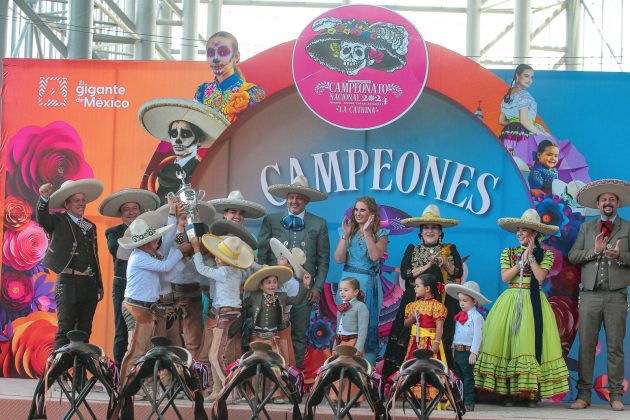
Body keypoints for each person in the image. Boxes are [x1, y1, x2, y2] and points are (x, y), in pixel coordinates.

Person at [475, 209, 569, 406]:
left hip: (533, 301)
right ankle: (508, 392)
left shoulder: (546, 254)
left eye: (523, 230)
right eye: (517, 230)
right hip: (511, 299)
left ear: (534, 234)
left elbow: (541, 277)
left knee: (528, 344)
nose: (518, 234)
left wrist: (532, 257)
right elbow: (505, 277)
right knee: (508, 344)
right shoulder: (508, 253)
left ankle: (528, 394)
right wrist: (520, 262)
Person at [568, 179, 630, 412]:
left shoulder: (628, 227)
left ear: (618, 204)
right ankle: (583, 395)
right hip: (590, 295)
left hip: (617, 295)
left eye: (612, 199)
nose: (607, 202)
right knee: (586, 346)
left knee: (615, 347)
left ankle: (616, 395)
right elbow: (573, 256)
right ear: (597, 204)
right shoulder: (587, 228)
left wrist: (620, 256)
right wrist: (594, 252)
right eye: (604, 199)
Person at [257, 175, 330, 370]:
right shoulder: (271, 220)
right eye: (291, 197)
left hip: (303, 289)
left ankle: (294, 379)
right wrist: (262, 284)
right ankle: (272, 379)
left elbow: (323, 261)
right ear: (286, 198)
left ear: (306, 200)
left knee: (298, 334)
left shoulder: (319, 223)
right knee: (270, 333)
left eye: (299, 198)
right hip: (275, 287)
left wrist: (317, 288)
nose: (294, 201)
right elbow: (262, 255)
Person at [382, 204, 462, 378]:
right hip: (415, 299)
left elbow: (458, 273)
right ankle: (407, 379)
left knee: (441, 336)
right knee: (412, 333)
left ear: (440, 231)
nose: (430, 231)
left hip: (443, 299)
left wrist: (444, 263)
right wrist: (428, 265)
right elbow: (405, 273)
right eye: (426, 227)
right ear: (421, 231)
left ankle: (442, 379)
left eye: (434, 227)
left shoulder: (449, 249)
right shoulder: (413, 249)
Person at [117, 212, 185, 387]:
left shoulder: (144, 256)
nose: (157, 243)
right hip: (137, 308)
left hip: (144, 308)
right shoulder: (140, 257)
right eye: (154, 241)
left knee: (144, 350)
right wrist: (180, 252)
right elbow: (166, 266)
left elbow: (167, 273)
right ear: (145, 243)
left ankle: (140, 386)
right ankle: (125, 387)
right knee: (136, 351)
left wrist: (185, 258)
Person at [36, 179, 104, 350]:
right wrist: (44, 198)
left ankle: (78, 375)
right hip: (67, 281)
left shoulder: (90, 226)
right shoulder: (58, 220)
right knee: (65, 330)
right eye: (77, 200)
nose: (81, 204)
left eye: (83, 200)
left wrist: (99, 285)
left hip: (88, 283)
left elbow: (94, 256)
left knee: (84, 332)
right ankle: (56, 375)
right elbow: (42, 218)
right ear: (66, 204)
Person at [99, 188, 161, 365]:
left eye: (135, 208)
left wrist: (148, 224)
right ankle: (119, 375)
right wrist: (137, 231)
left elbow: (160, 248)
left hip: (147, 288)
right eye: (126, 209)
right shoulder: (113, 232)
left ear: (140, 211)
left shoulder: (152, 232)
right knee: (121, 329)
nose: (131, 212)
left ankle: (142, 373)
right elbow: (118, 252)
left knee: (148, 331)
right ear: (120, 213)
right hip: (123, 285)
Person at [190, 234, 255, 401]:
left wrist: (196, 249)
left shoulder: (223, 272)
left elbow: (202, 269)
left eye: (219, 256)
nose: (216, 259)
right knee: (219, 353)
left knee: (214, 355)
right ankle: (217, 389)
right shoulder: (236, 271)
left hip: (224, 314)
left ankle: (231, 391)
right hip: (233, 312)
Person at [241, 265, 311, 403]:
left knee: (277, 365)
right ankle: (255, 393)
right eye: (268, 282)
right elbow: (243, 305)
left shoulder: (282, 297)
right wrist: (241, 291)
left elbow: (297, 300)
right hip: (257, 337)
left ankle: (276, 394)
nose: (272, 285)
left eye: (274, 282)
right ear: (261, 286)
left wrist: (305, 286)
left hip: (273, 337)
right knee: (255, 365)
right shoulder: (255, 297)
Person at [333, 196, 388, 364]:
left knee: (364, 326)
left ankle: (365, 371)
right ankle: (343, 366)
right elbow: (338, 259)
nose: (357, 213)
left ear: (372, 213)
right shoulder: (348, 230)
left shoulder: (381, 233)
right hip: (347, 281)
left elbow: (375, 256)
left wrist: (368, 232)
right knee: (345, 324)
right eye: (355, 209)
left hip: (367, 285)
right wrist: (345, 235)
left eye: (362, 210)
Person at [194, 31, 266, 123]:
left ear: (236, 57)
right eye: (211, 53)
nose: (216, 59)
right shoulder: (202, 91)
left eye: (223, 53)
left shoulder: (252, 92)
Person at [444, 281, 491, 412]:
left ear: (474, 301)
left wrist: (474, 352)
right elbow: (457, 335)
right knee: (457, 379)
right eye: (460, 300)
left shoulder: (477, 317)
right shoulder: (460, 316)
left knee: (468, 378)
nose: (462, 303)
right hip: (458, 351)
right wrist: (453, 349)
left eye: (465, 300)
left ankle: (469, 402)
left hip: (467, 352)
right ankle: (458, 402)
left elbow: (477, 336)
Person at [403, 273, 447, 401]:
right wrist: (412, 318)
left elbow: (439, 326)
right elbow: (406, 324)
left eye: (417, 286)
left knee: (429, 367)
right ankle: (414, 394)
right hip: (414, 343)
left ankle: (430, 394)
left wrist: (436, 343)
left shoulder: (437, 306)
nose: (415, 288)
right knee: (413, 365)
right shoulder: (412, 305)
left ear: (427, 289)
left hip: (429, 342)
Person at [270, 237, 311, 367]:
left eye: (282, 259)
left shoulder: (292, 284)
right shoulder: (276, 278)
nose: (278, 260)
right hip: (271, 319)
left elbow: (291, 302)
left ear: (290, 264)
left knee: (282, 350)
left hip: (282, 319)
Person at [331, 277, 369, 404]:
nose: (342, 292)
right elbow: (338, 330)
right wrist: (334, 346)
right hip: (341, 343)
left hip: (353, 343)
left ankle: (354, 399)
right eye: (341, 290)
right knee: (339, 369)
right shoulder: (341, 308)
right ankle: (337, 397)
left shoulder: (360, 307)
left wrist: (358, 348)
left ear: (356, 292)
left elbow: (363, 329)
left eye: (346, 290)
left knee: (353, 371)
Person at [498, 64, 549, 154]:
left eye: (532, 77)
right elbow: (524, 121)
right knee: (524, 163)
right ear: (517, 76)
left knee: (511, 162)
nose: (529, 80)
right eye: (526, 76)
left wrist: (514, 122)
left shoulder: (507, 97)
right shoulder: (524, 96)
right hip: (523, 135)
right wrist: (541, 134)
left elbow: (501, 121)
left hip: (507, 134)